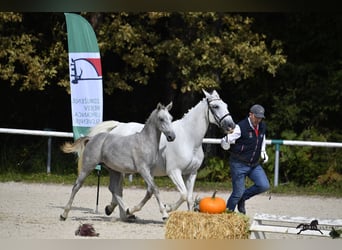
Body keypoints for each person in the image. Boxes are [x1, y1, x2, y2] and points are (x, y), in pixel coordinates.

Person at [220, 104, 270, 214]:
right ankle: (227, 214)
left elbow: (262, 138)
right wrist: (225, 144)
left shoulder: (262, 126)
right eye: (256, 117)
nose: (258, 120)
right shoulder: (240, 127)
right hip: (239, 163)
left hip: (254, 164)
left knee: (264, 185)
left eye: (260, 117)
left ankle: (242, 198)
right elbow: (225, 140)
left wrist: (263, 151)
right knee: (237, 192)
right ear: (250, 115)